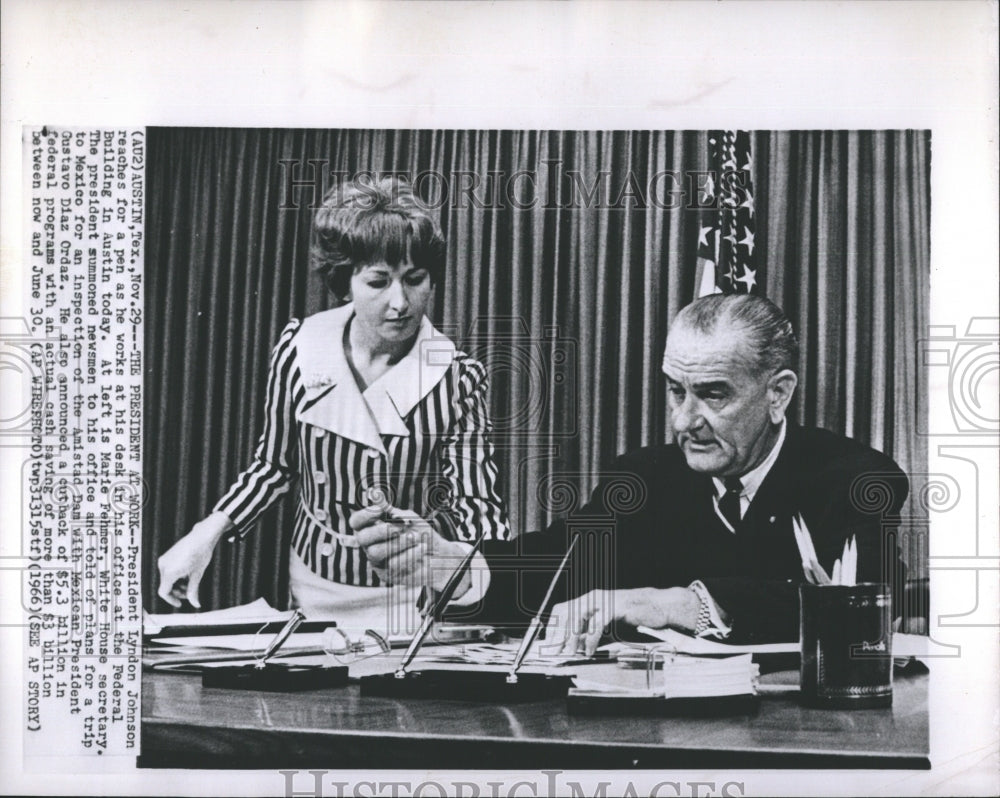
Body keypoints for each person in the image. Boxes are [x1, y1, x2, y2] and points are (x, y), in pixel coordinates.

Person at [156, 177, 510, 636]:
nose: (400, 302)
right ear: (345, 282)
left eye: (415, 279)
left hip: (409, 601)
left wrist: (458, 562)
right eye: (378, 282)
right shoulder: (301, 348)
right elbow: (273, 466)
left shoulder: (458, 378)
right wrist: (207, 533)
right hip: (311, 588)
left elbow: (478, 508)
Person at [492, 293, 908, 651]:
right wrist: (457, 569)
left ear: (777, 393)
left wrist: (672, 604)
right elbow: (561, 561)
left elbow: (868, 602)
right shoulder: (645, 476)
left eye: (712, 394)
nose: (683, 421)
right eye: (676, 391)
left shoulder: (854, 479)